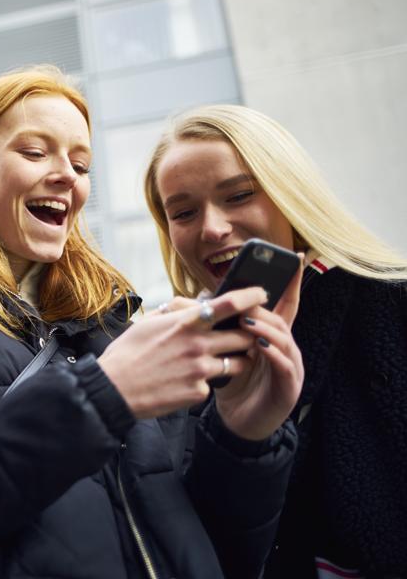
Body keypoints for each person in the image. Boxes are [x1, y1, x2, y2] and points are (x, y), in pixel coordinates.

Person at [0, 68, 301, 579]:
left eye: (80, 163)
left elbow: (219, 552)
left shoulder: (124, 333)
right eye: (35, 153)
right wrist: (101, 398)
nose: (67, 175)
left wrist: (244, 437)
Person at [144, 103, 407, 578]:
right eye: (183, 212)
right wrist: (240, 439)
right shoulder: (180, 363)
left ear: (293, 194)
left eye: (239, 195)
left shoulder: (392, 304)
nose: (212, 228)